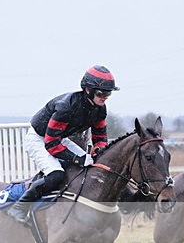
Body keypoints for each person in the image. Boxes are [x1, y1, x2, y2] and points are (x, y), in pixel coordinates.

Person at [7, 65, 118, 224]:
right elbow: (51, 144)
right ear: (88, 90)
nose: (104, 97)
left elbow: (100, 136)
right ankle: (20, 207)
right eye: (101, 93)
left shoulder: (100, 109)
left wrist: (99, 149)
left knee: (91, 165)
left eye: (108, 93)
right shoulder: (66, 107)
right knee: (56, 174)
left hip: (60, 138)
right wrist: (78, 159)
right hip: (39, 139)